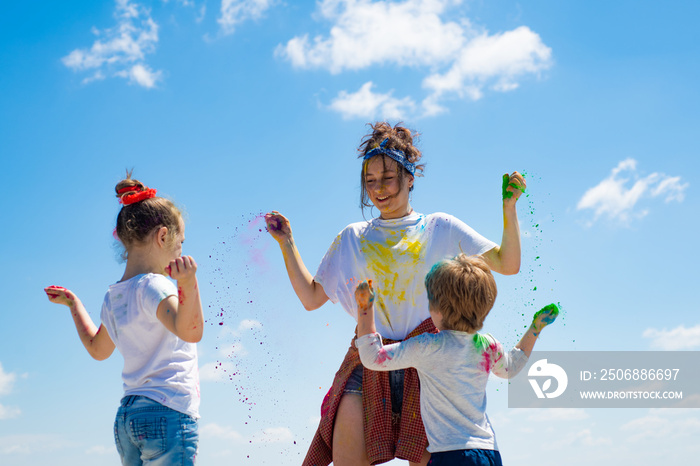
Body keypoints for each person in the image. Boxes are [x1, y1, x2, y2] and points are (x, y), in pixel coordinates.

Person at [265, 122, 526, 466]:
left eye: (387, 178)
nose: (378, 189)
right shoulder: (352, 237)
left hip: (430, 365)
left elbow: (507, 263)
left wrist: (509, 208)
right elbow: (312, 298)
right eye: (370, 181)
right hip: (370, 357)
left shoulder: (440, 227)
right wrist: (287, 243)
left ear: (410, 177)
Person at [44, 175, 203, 465]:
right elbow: (190, 331)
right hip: (167, 411)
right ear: (163, 236)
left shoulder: (114, 297)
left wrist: (73, 304)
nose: (181, 249)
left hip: (128, 417)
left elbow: (98, 349)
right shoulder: (155, 286)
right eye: (180, 242)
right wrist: (189, 283)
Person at [355, 255, 559, 466]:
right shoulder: (487, 345)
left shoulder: (428, 346)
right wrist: (535, 329)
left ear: (438, 309)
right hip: (488, 452)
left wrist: (365, 309)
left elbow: (373, 358)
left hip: (450, 455)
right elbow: (511, 367)